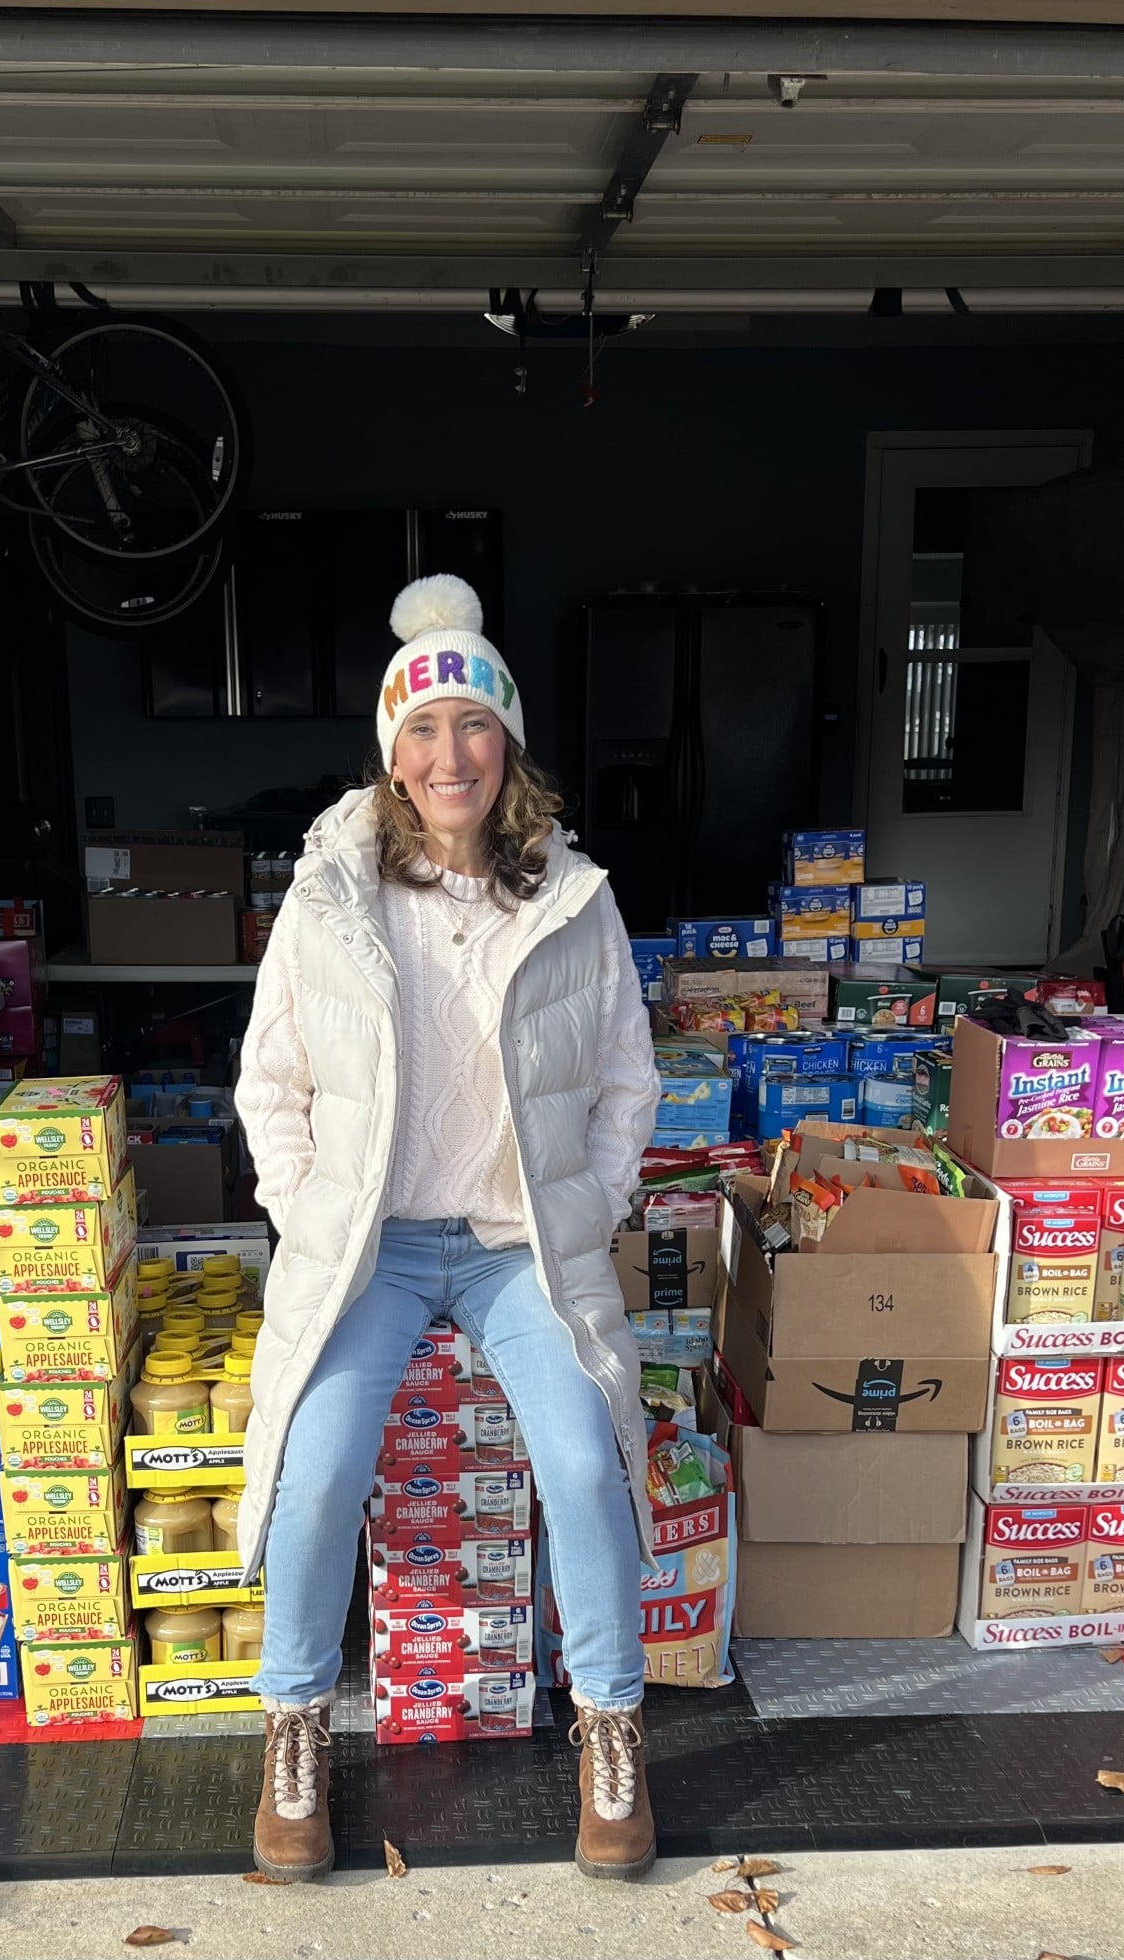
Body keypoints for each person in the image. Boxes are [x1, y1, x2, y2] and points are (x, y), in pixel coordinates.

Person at [234, 573, 661, 1884]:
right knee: (316, 1472)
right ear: (390, 751)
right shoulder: (331, 898)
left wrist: (582, 1207)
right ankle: (296, 1724)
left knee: (585, 1463)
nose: (448, 753)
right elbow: (270, 1083)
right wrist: (309, 1212)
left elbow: (630, 1082)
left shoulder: (574, 901)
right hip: (372, 1247)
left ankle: (609, 1725)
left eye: (473, 723)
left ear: (507, 742)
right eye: (422, 730)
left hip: (510, 1245)